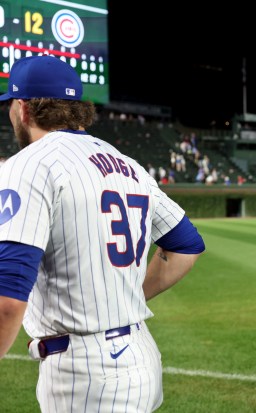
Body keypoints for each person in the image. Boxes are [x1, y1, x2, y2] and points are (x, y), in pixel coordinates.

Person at [0, 55, 205, 412]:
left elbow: (9, 298)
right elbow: (186, 245)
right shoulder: (126, 162)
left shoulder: (29, 164)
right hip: (139, 356)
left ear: (23, 108)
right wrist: (122, 302)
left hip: (84, 373)